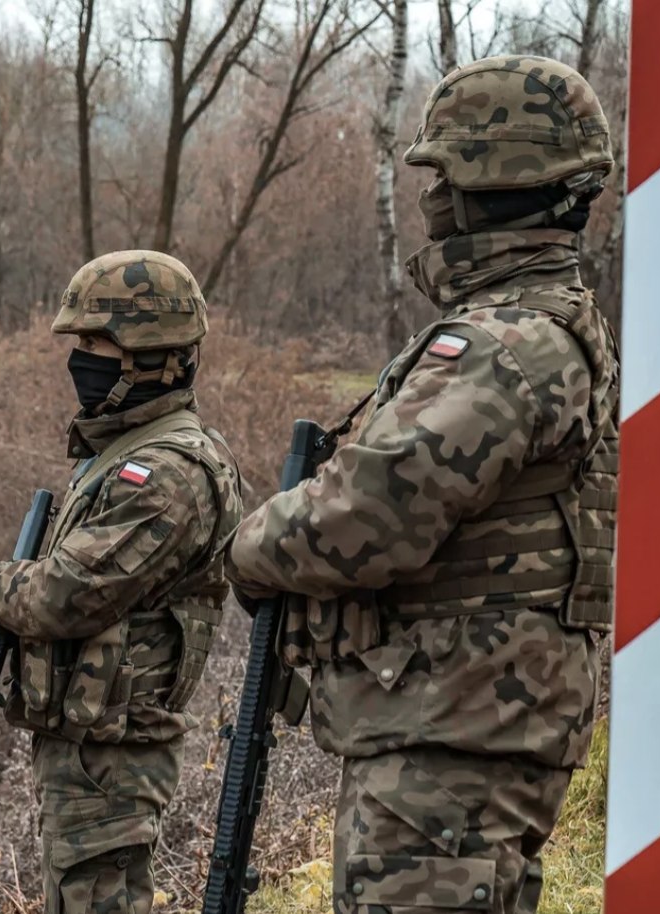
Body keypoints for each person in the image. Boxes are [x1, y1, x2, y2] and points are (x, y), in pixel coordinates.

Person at [225, 55, 619, 914]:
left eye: (443, 173)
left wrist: (248, 550)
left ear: (492, 179)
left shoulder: (503, 344)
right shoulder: (548, 321)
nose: (433, 197)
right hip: (470, 726)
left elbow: (363, 517)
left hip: (453, 734)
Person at [0, 250, 243, 914]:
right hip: (88, 755)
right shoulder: (120, 455)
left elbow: (68, 595)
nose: (79, 359)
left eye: (94, 342)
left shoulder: (169, 474)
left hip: (112, 761)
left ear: (148, 353)